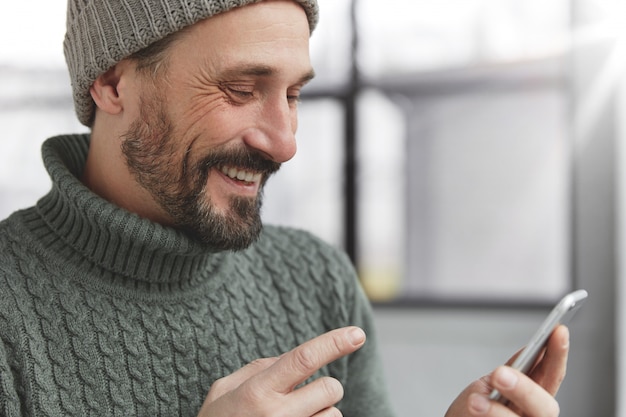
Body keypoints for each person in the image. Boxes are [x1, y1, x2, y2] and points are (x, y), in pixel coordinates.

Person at [0, 0, 569, 416]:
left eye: (294, 95)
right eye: (241, 90)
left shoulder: (316, 279)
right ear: (112, 83)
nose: (285, 142)